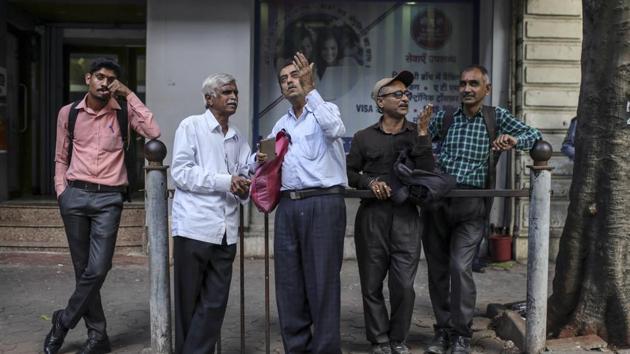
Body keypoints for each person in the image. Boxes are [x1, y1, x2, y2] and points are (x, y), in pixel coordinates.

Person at [424, 65, 542, 354]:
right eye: (463, 83)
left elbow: (534, 135)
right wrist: (422, 131)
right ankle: (443, 332)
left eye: (474, 84)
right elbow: (422, 142)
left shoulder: (495, 117)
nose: (467, 89)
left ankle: (462, 334)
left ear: (486, 89)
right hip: (438, 201)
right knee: (438, 270)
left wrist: (514, 140)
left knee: (460, 267)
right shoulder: (447, 117)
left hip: (473, 204)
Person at [46, 57, 160, 354]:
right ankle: (98, 337)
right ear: (88, 79)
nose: (104, 82)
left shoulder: (123, 114)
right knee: (82, 268)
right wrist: (62, 192)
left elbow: (154, 131)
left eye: (110, 78)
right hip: (75, 196)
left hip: (109, 198)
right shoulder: (68, 113)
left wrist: (129, 94)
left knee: (98, 268)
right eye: (100, 76)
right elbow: (60, 156)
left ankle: (63, 321)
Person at [256, 52, 348, 353]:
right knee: (289, 284)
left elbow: (336, 130)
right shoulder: (280, 125)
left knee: (322, 283)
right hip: (289, 207)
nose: (289, 82)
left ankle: (324, 350)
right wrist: (255, 160)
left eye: (294, 75)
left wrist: (312, 93)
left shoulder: (326, 110)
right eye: (283, 79)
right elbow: (263, 159)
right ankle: (296, 348)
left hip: (322, 202)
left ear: (308, 77)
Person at [346, 71, 434, 354]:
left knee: (404, 286)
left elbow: (427, 174)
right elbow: (349, 173)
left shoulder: (416, 134)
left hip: (407, 217)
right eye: (397, 94)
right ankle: (379, 340)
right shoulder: (363, 137)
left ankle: (398, 338)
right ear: (380, 102)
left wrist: (422, 134)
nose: (405, 97)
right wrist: (369, 182)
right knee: (371, 284)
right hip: (372, 217)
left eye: (407, 94)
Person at [170, 73, 252, 354]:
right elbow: (180, 172)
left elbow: (243, 175)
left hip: (226, 230)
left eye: (236, 93)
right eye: (227, 92)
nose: (233, 97)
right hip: (195, 226)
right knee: (188, 303)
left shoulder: (238, 136)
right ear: (209, 98)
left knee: (215, 304)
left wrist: (243, 185)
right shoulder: (191, 126)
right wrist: (225, 180)